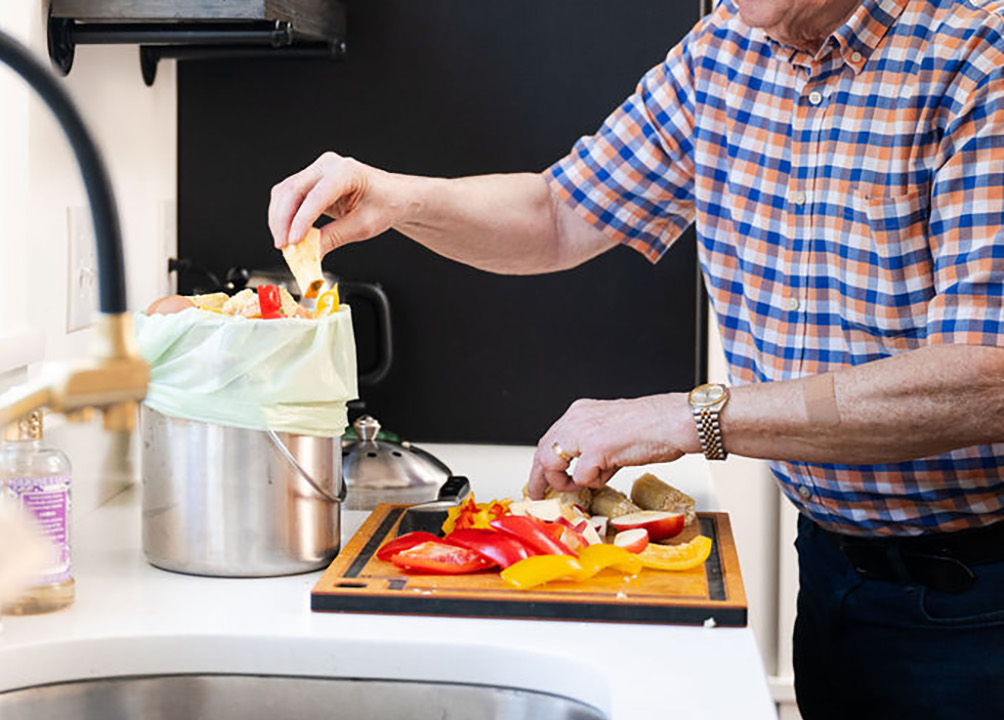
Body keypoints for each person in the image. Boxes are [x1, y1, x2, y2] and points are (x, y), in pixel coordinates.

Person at [266, 0, 1004, 717]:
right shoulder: (721, 54)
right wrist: (396, 199)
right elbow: (557, 215)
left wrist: (689, 417)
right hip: (833, 571)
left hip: (980, 599)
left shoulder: (977, 57)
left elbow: (982, 378)